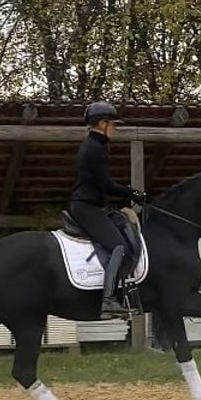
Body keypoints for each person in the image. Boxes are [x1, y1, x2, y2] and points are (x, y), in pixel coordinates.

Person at [69, 101, 145, 318]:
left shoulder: (95, 145)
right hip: (86, 207)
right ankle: (109, 300)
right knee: (118, 247)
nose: (115, 129)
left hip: (92, 205)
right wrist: (131, 193)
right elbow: (106, 185)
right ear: (102, 124)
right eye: (112, 124)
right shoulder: (95, 149)